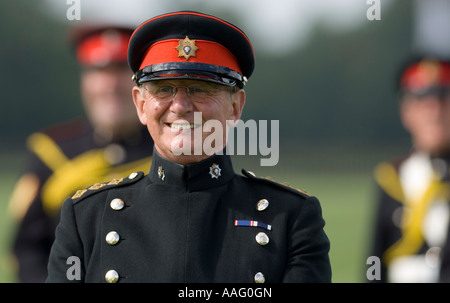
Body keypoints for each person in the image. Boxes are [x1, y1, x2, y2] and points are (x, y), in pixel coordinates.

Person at [46, 11, 331, 283]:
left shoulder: (290, 219)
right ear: (141, 105)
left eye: (200, 88)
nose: (181, 106)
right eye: (164, 89)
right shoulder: (85, 219)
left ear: (235, 106)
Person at [8, 23, 154, 282]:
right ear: (84, 81)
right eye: (98, 71)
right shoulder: (50, 151)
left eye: (121, 70)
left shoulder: (169, 151)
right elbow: (25, 250)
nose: (110, 85)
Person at [370, 56, 450, 282]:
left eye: (443, 99)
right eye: (422, 100)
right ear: (406, 111)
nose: (434, 111)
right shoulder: (391, 176)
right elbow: (376, 260)